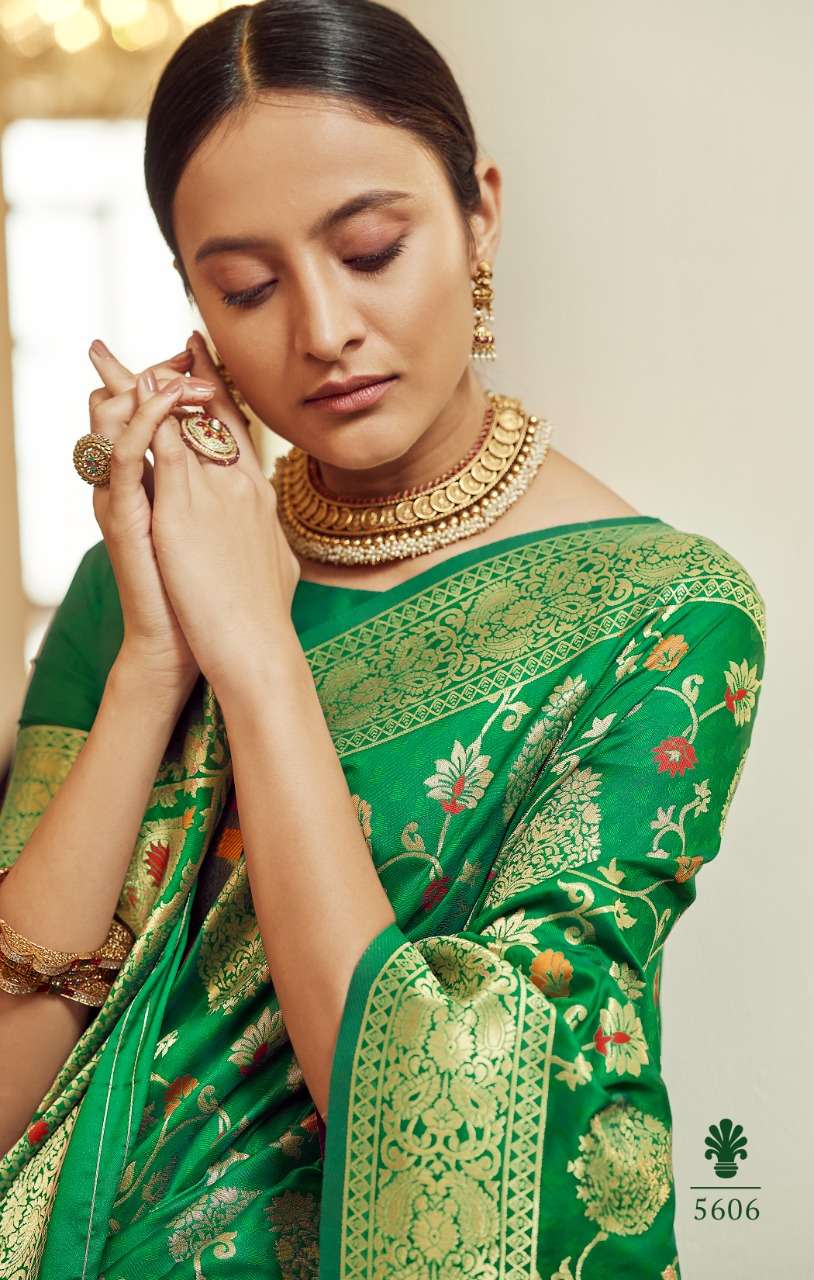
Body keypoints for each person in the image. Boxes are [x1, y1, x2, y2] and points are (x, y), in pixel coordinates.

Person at [0, 1, 766, 1276]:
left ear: (480, 216)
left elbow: (445, 1117)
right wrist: (153, 664)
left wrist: (258, 654)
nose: (322, 329)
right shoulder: (140, 587)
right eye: (246, 287)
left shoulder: (661, 620)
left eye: (369, 249)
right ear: (193, 305)